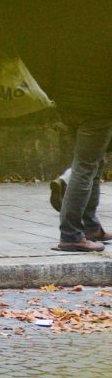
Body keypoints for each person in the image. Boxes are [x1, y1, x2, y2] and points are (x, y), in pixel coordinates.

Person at [49, 27, 111, 252]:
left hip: (68, 106)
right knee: (85, 167)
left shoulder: (69, 28)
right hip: (95, 109)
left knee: (94, 162)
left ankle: (91, 226)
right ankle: (70, 235)